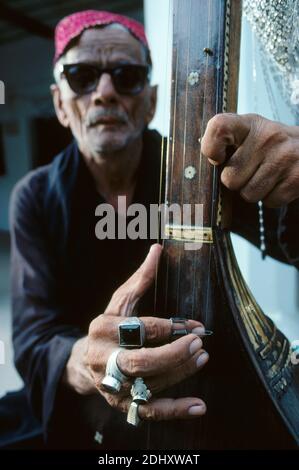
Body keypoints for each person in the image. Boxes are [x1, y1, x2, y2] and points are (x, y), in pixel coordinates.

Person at [6, 9, 299, 449]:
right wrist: (86, 359)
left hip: (202, 389)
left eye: (126, 76)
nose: (105, 93)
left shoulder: (198, 169)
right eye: (82, 76)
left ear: (151, 100)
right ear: (59, 104)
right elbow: (34, 340)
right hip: (90, 407)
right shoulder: (34, 197)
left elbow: (288, 238)